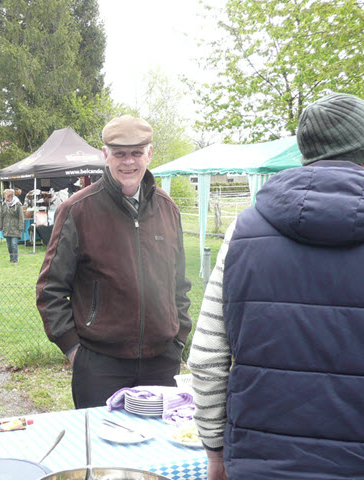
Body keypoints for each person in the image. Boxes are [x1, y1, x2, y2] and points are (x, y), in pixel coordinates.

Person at [187, 92, 364, 480]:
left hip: (259, 464)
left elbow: (206, 358)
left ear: (305, 152)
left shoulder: (243, 230)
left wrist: (215, 452)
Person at [36, 115, 192, 408]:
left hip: (162, 363)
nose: (128, 162)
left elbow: (179, 283)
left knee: (158, 439)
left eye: (136, 153)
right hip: (99, 366)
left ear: (149, 153)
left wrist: (179, 338)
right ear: (105, 155)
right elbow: (50, 289)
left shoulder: (167, 208)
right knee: (101, 439)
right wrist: (73, 350)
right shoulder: (77, 210)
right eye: (119, 154)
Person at [0, 188, 24, 264]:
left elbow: (21, 216)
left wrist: (21, 227)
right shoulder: (4, 205)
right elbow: (1, 216)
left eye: (5, 195)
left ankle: (15, 260)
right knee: (9, 245)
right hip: (7, 228)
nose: (4, 197)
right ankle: (11, 258)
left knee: (14, 244)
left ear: (10, 196)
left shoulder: (18, 204)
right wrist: (0, 226)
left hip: (15, 228)